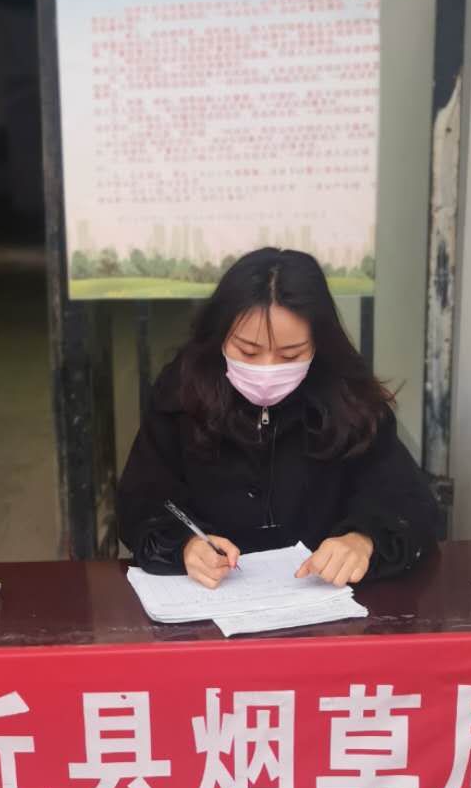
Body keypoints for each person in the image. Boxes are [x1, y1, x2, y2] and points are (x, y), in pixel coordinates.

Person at [116, 247, 440, 589]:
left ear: (318, 344)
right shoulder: (182, 395)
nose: (267, 369)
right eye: (247, 351)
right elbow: (142, 505)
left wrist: (363, 540)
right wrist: (185, 546)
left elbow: (408, 503)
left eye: (290, 355)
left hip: (324, 597)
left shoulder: (348, 400)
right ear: (220, 337)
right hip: (215, 598)